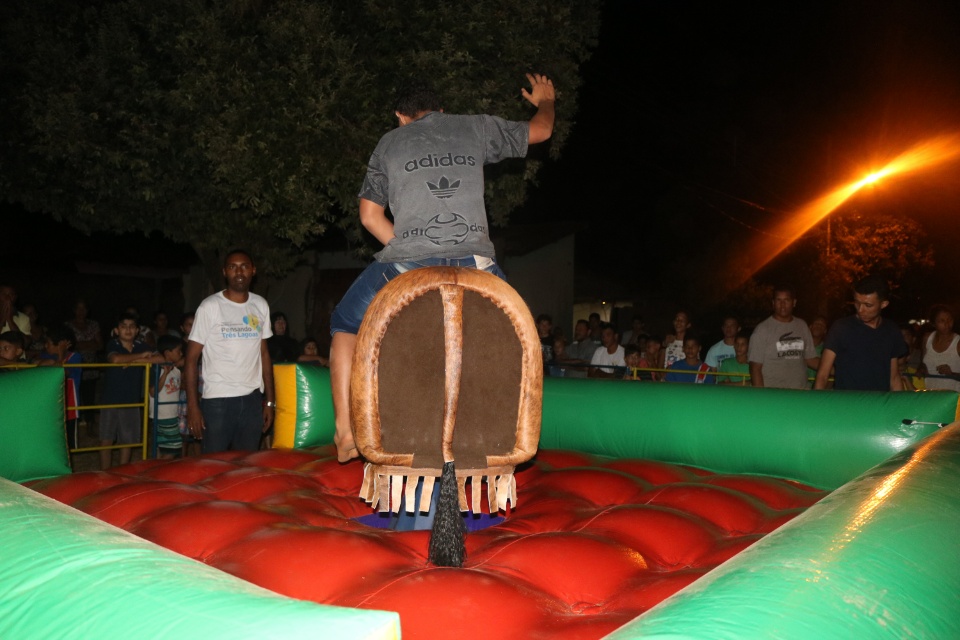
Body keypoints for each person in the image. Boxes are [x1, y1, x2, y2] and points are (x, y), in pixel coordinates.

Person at [328, 73, 556, 462]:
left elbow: (369, 216)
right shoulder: (473, 126)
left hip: (407, 263)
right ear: (441, 110)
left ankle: (347, 430)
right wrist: (546, 100)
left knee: (344, 327)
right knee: (521, 334)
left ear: (400, 116)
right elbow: (541, 131)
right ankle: (513, 429)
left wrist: (409, 246)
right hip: (477, 263)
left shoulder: (389, 142)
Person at [184, 250, 276, 454]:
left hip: (252, 400)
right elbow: (191, 360)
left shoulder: (260, 305)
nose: (239, 272)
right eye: (233, 267)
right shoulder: (210, 307)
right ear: (225, 272)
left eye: (244, 266)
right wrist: (193, 406)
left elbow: (264, 355)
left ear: (253, 270)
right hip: (218, 402)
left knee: (246, 465)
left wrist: (269, 401)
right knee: (213, 466)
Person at [814, 276, 906, 391]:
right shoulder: (841, 328)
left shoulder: (891, 330)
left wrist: (898, 407)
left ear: (884, 304)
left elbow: (894, 377)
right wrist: (817, 407)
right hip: (847, 404)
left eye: (868, 305)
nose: (860, 309)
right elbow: (822, 375)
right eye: (857, 303)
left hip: (879, 405)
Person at [100, 312, 165, 469]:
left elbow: (161, 358)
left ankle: (123, 472)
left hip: (131, 399)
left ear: (137, 330)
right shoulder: (113, 344)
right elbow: (115, 359)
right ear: (116, 330)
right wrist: (142, 357)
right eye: (124, 327)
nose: (128, 330)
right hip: (110, 399)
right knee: (106, 440)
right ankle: (104, 473)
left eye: (132, 327)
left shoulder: (141, 346)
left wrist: (134, 360)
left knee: (127, 440)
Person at [749, 287, 819, 389]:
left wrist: (836, 368)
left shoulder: (802, 325)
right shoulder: (762, 330)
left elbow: (810, 359)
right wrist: (761, 397)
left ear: (794, 302)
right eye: (778, 300)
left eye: (786, 300)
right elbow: (755, 367)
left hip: (800, 393)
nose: (782, 304)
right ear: (773, 303)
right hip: (773, 394)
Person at [149, 335, 184, 460]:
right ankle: (160, 470)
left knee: (163, 446)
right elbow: (153, 392)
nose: (181, 353)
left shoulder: (177, 370)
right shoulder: (156, 369)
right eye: (178, 351)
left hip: (171, 414)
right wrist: (165, 374)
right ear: (167, 353)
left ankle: (156, 472)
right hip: (163, 414)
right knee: (174, 447)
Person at [919, 305, 960, 392]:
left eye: (950, 320)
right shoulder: (927, 338)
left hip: (954, 397)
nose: (947, 324)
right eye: (942, 321)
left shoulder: (958, 342)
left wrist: (952, 374)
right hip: (931, 395)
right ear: (933, 323)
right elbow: (922, 363)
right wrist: (921, 369)